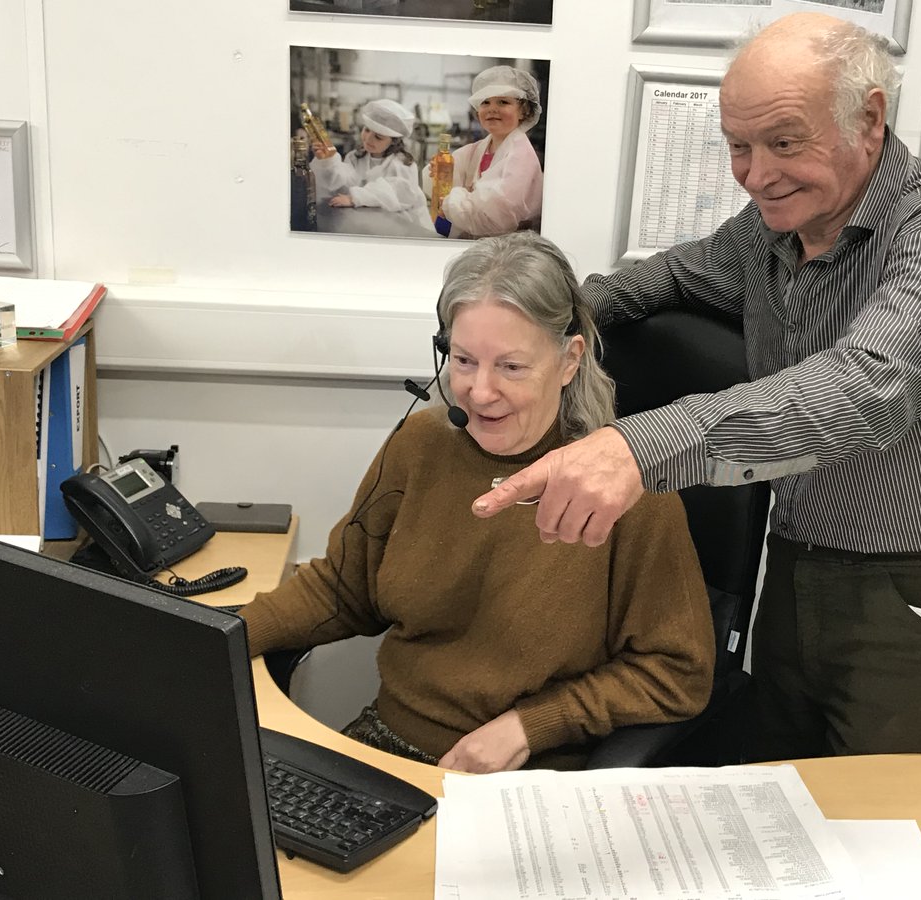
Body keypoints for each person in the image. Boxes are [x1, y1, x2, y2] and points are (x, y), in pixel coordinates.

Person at [473, 13, 921, 762]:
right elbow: (661, 279)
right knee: (784, 790)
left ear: (869, 119)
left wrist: (637, 446)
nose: (758, 174)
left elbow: (866, 390)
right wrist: (536, 332)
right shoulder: (769, 227)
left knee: (885, 824)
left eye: (785, 142)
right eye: (739, 146)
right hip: (799, 559)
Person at [237, 232, 714, 773]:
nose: (480, 392)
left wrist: (530, 727)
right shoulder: (420, 445)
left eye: (511, 367)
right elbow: (345, 589)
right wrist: (218, 636)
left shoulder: (628, 490)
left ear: (568, 361)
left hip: (525, 778)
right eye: (464, 361)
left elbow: (678, 673)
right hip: (389, 744)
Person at [435, 65, 544, 239]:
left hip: (509, 248)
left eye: (503, 102)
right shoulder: (477, 149)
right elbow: (437, 178)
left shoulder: (521, 156)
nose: (492, 108)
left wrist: (452, 201)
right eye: (485, 102)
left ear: (524, 111)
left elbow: (496, 218)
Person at [311, 98, 433, 231]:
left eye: (378, 137)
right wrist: (328, 161)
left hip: (405, 226)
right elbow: (344, 183)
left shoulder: (402, 164)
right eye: (367, 130)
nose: (368, 139)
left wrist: (356, 197)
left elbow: (398, 193)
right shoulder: (356, 157)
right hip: (368, 223)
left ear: (393, 141)